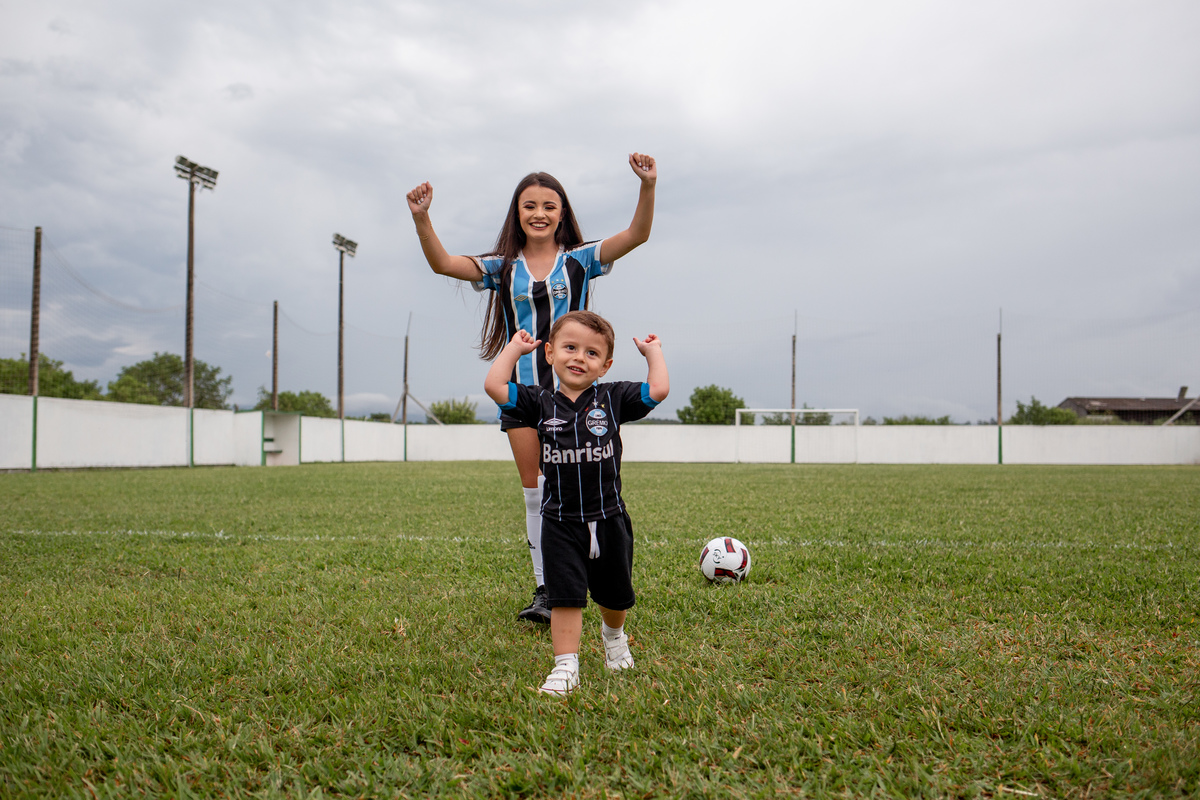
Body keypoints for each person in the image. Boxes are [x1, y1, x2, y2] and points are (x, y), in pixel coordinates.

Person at [406, 154, 657, 623]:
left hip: (577, 396)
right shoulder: (501, 268)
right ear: (517, 214)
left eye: (548, 205)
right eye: (529, 206)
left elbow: (637, 235)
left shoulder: (581, 261)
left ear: (562, 213)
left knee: (583, 483)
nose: (539, 213)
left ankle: (595, 573)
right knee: (536, 491)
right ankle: (548, 589)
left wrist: (648, 185)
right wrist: (422, 218)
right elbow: (442, 263)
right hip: (524, 395)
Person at [483, 310, 669, 695]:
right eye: (570, 347)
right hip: (559, 521)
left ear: (605, 365)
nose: (579, 358)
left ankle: (613, 638)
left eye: (591, 353)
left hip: (609, 518)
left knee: (615, 596)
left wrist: (654, 354)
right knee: (565, 596)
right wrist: (514, 350)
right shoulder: (538, 402)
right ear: (550, 353)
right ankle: (566, 666)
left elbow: (657, 391)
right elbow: (495, 385)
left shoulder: (614, 397)